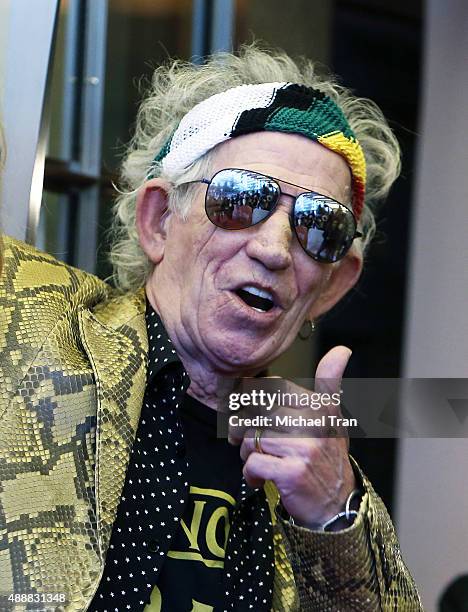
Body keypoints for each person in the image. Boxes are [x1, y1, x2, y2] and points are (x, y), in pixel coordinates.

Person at [0, 45, 422, 611]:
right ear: (158, 221)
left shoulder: (315, 475)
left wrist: (331, 516)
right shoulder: (28, 321)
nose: (274, 249)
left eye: (318, 226)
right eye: (241, 200)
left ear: (332, 284)